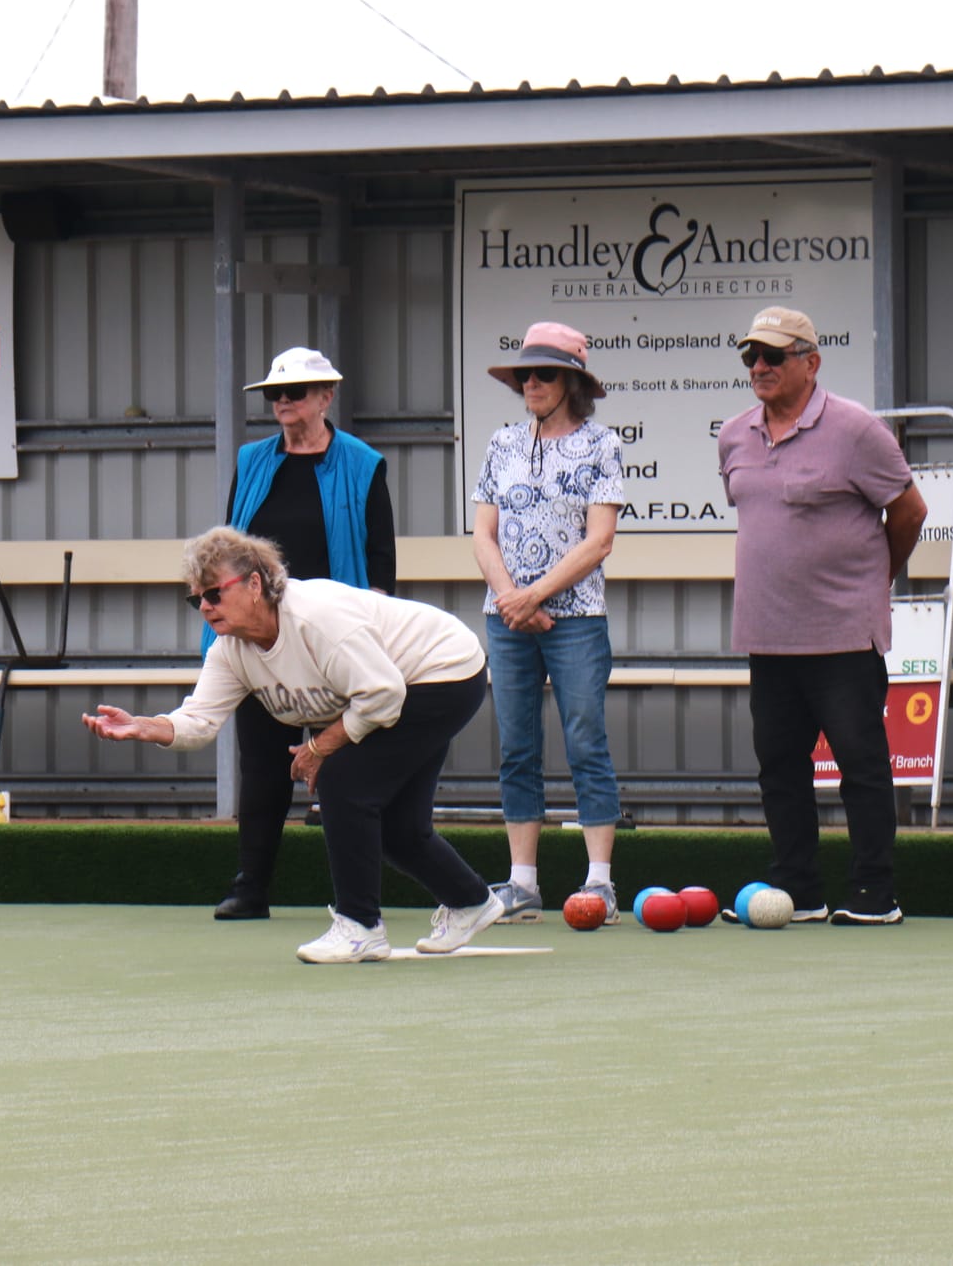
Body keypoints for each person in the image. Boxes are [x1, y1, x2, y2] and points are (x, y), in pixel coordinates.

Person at [86, 527, 504, 964]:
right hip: (393, 689)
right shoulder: (231, 650)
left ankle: (360, 927)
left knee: (344, 780)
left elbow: (383, 695)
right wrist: (147, 727)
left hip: (443, 671)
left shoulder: (314, 620)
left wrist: (320, 748)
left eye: (213, 594)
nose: (206, 607)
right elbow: (199, 720)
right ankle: (471, 902)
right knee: (398, 828)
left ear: (254, 583)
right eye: (197, 600)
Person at [716, 307, 928, 925]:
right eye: (751, 356)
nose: (760, 367)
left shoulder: (856, 430)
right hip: (767, 634)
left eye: (773, 356)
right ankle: (798, 892)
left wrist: (875, 579)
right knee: (780, 769)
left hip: (842, 634)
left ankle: (873, 894)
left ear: (810, 362)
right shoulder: (734, 435)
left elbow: (909, 511)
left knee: (860, 766)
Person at [209, 346, 397, 922]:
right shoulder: (252, 459)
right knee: (262, 766)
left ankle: (356, 899)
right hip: (262, 637)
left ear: (326, 396)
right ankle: (251, 886)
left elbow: (380, 561)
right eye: (275, 394)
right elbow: (228, 550)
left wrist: (374, 631)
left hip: (334, 638)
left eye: (296, 392)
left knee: (343, 769)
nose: (283, 402)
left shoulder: (363, 463)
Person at [471, 321, 627, 925]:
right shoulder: (502, 443)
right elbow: (483, 533)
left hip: (576, 617)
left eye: (545, 374)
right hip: (506, 617)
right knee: (517, 747)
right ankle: (523, 882)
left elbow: (600, 540)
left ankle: (600, 882)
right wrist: (510, 597)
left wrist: (532, 595)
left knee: (586, 740)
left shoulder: (601, 445)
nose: (531, 383)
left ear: (572, 382)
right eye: (525, 375)